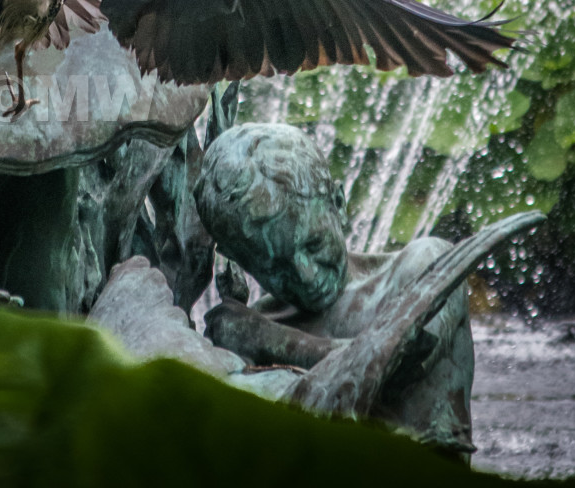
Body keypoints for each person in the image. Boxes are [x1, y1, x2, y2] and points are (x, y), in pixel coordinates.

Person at [194, 123, 475, 456]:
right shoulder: (249, 331)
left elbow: (399, 364)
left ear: (339, 204)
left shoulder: (422, 268)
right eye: (275, 267)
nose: (307, 276)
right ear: (238, 261)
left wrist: (265, 339)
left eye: (313, 244)